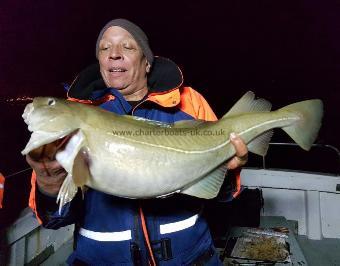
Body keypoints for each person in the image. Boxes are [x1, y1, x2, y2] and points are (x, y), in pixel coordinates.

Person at [26, 19, 248, 265]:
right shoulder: (74, 117)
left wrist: (227, 171)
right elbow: (55, 219)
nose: (114, 55)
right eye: (104, 48)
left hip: (189, 258)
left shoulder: (189, 104)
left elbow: (222, 195)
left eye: (128, 47)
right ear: (99, 63)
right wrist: (50, 181)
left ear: (147, 63)